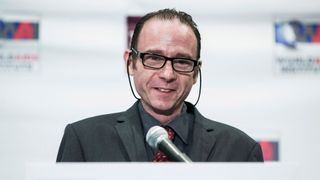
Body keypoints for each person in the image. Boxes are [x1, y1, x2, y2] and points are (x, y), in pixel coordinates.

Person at [56, 8, 264, 162]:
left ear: (195, 72)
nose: (167, 74)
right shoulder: (84, 139)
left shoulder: (240, 150)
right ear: (130, 63)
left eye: (182, 61)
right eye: (154, 58)